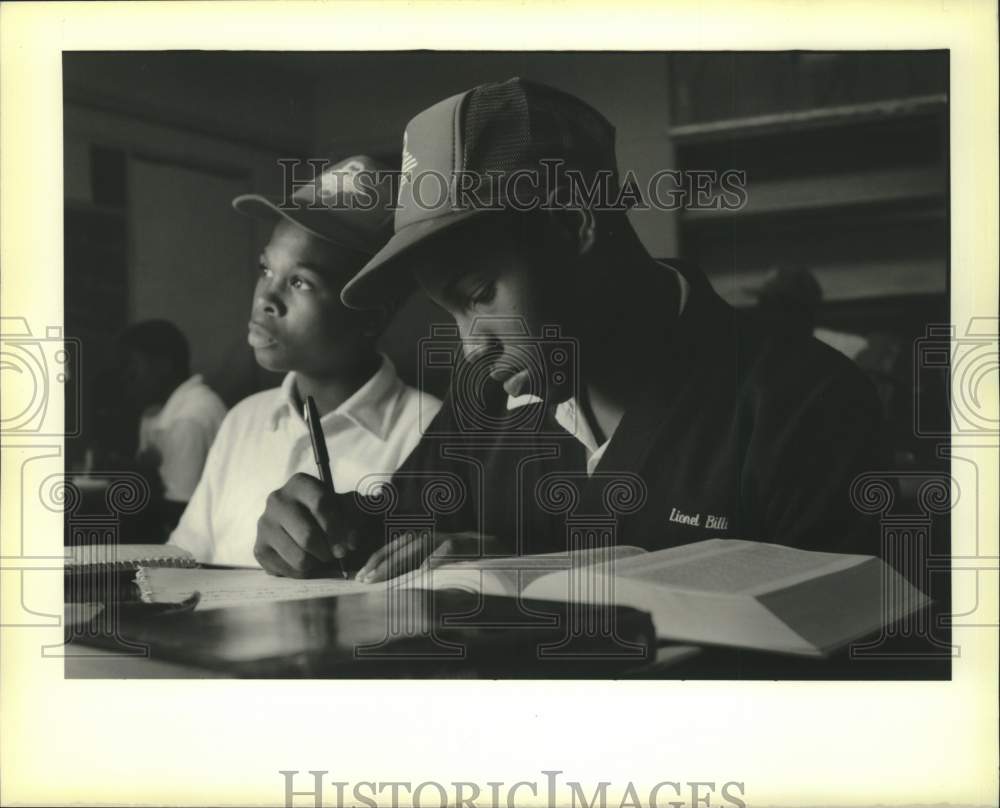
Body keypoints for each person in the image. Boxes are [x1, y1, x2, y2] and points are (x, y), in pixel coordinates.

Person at [254, 78, 882, 582]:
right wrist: (319, 529)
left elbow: (845, 665)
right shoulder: (490, 397)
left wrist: (537, 576)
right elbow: (396, 525)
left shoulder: (804, 404)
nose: (473, 346)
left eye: (477, 296)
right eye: (449, 312)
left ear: (571, 223)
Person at [168, 155, 442, 569]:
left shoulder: (430, 433)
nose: (266, 298)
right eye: (266, 269)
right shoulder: (244, 420)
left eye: (300, 281)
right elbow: (182, 563)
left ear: (373, 315)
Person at [118, 319, 227, 532]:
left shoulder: (189, 419)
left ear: (163, 366)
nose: (125, 379)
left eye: (132, 368)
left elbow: (180, 514)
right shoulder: (156, 412)